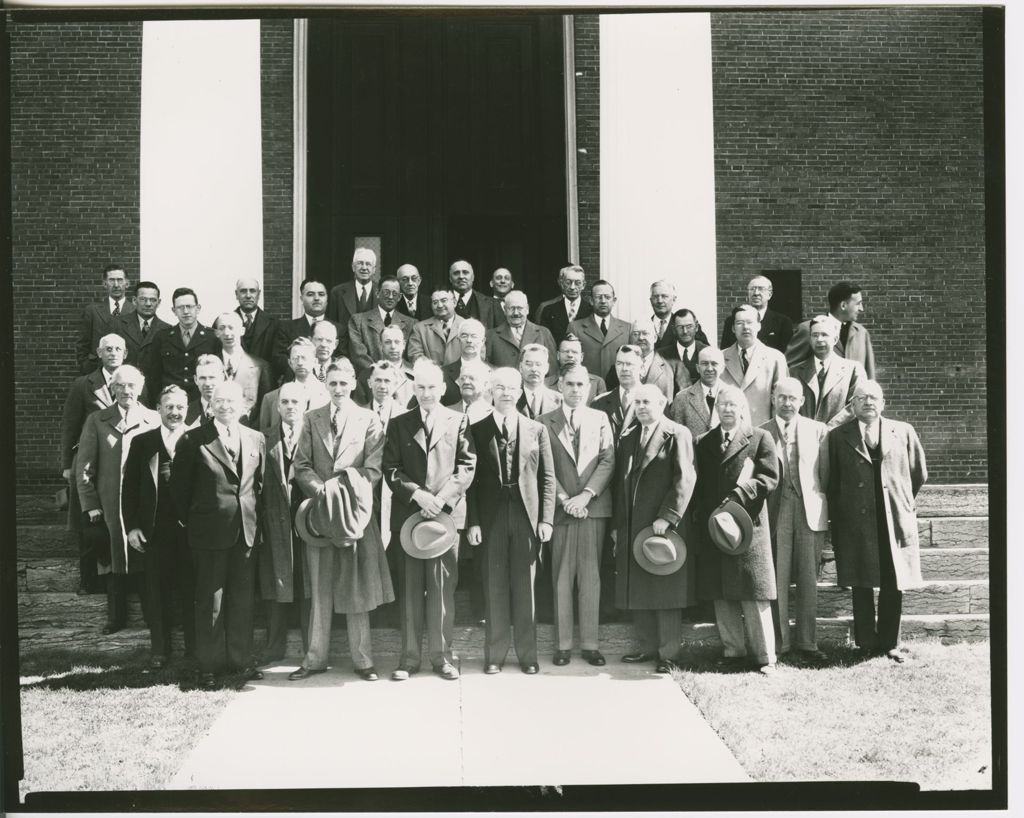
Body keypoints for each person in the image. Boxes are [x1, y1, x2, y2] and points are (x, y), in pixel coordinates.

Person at [290, 359, 394, 682]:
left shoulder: (369, 420)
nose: (338, 389)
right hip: (321, 514)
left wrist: (342, 491)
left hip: (354, 515)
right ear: (325, 384)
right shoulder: (311, 418)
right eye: (332, 383)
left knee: (355, 588)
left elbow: (373, 470)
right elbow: (301, 464)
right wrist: (323, 492)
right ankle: (314, 658)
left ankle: (363, 660)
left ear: (353, 383)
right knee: (320, 589)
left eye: (344, 383)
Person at [383, 359, 476, 681]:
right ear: (413, 388)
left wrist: (440, 498)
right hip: (410, 517)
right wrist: (417, 495)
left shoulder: (458, 420)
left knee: (441, 590)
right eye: (420, 387)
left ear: (443, 388)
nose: (426, 393)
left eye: (431, 387)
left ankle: (441, 657)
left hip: (445, 519)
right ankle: (408, 659)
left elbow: (466, 466)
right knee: (410, 590)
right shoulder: (399, 423)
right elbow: (391, 469)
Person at [170, 380, 266, 691]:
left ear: (243, 405)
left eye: (232, 401)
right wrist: (195, 523)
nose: (225, 406)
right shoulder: (193, 440)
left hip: (246, 533)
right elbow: (179, 491)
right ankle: (208, 666)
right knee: (211, 600)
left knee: (241, 599)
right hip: (208, 534)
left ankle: (239, 660)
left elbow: (258, 487)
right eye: (219, 401)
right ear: (210, 405)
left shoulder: (256, 439)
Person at [827, 380, 927, 663]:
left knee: (893, 581)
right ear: (853, 405)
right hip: (856, 523)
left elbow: (918, 474)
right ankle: (866, 642)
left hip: (892, 518)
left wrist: (901, 502)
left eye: (874, 398)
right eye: (862, 398)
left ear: (883, 403)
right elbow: (833, 482)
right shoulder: (838, 436)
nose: (868, 402)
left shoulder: (903, 431)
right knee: (861, 582)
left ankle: (889, 642)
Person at [467, 367, 555, 675]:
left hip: (526, 516)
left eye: (511, 388)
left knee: (525, 586)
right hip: (491, 518)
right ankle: (495, 654)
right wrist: (474, 522)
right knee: (495, 586)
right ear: (490, 391)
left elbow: (547, 478)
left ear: (520, 391)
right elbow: (472, 481)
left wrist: (546, 519)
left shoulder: (537, 429)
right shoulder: (476, 429)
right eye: (499, 387)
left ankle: (527, 655)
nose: (506, 392)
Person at [693, 385, 780, 675]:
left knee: (754, 593)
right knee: (722, 592)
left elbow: (769, 478)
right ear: (716, 408)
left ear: (743, 407)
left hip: (749, 526)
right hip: (716, 526)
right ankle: (733, 652)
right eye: (722, 404)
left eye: (733, 404)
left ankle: (765, 656)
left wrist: (740, 494)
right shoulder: (703, 441)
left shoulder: (760, 438)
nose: (727, 409)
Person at [613, 384, 697, 673]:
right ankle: (647, 648)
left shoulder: (677, 434)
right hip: (633, 527)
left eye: (647, 401)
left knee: (665, 589)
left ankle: (668, 654)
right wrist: (618, 525)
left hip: (664, 527)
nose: (641, 407)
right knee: (640, 588)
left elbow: (685, 479)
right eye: (637, 402)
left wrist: (668, 516)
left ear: (662, 403)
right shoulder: (628, 437)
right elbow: (620, 483)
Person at [537, 364, 615, 666]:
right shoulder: (544, 421)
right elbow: (543, 465)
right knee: (561, 579)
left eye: (582, 384)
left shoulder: (600, 419)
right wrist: (564, 499)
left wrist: (585, 496)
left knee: (591, 578)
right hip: (560, 509)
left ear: (590, 387)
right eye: (570, 384)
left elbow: (608, 460)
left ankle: (590, 644)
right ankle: (563, 645)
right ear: (560, 387)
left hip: (592, 509)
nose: (576, 390)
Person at [75, 365, 160, 634]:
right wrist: (91, 506)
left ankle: (152, 617)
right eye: (120, 385)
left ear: (141, 388)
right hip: (109, 503)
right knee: (113, 559)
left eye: (132, 386)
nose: (126, 391)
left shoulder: (153, 419)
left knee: (145, 557)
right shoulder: (97, 420)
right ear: (112, 388)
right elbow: (85, 467)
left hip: (141, 504)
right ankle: (116, 618)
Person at [122, 385, 196, 668]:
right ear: (158, 409)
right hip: (154, 532)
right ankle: (160, 651)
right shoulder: (143, 442)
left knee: (191, 591)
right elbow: (128, 489)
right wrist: (132, 527)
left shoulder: (197, 439)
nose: (174, 412)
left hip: (191, 532)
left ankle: (193, 650)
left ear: (187, 409)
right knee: (156, 592)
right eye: (169, 407)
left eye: (179, 407)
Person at [759, 378, 829, 659]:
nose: (787, 403)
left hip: (809, 511)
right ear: (773, 398)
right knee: (777, 577)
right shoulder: (761, 432)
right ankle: (780, 643)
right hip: (776, 512)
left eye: (793, 398)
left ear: (802, 401)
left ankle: (807, 643)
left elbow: (826, 475)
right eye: (782, 397)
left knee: (808, 580)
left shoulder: (818, 431)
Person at [60, 333, 130, 594]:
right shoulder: (83, 384)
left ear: (125, 353)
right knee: (89, 523)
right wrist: (68, 464)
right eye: (108, 349)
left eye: (118, 349)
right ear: (99, 353)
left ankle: (121, 579)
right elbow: (69, 425)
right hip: (89, 460)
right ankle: (89, 580)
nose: (113, 353)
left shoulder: (133, 381)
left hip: (120, 461)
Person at [256, 382, 311, 664]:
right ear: (277, 407)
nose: (291, 407)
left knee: (308, 583)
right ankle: (274, 646)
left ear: (305, 406)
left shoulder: (316, 436)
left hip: (308, 524)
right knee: (274, 582)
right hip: (274, 523)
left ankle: (312, 647)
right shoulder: (263, 440)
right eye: (285, 402)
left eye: (296, 402)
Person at [786, 281, 876, 378]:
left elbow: (869, 376)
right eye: (858, 304)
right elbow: (788, 368)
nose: (861, 309)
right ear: (843, 305)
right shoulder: (808, 329)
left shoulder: (861, 333)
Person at [790, 314, 866, 428]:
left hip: (839, 438)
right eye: (815, 335)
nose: (819, 339)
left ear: (835, 339)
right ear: (810, 339)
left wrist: (827, 430)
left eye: (824, 335)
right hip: (805, 437)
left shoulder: (853, 370)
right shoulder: (794, 372)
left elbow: (855, 406)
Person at [721, 305, 788, 428]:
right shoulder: (720, 358)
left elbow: (780, 400)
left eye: (750, 322)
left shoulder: (775, 358)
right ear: (733, 328)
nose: (745, 327)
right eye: (740, 323)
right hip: (729, 431)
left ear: (759, 326)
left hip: (762, 431)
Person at [149, 287, 220, 401]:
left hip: (201, 402)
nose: (186, 311)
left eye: (189, 306)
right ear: (174, 311)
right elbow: (154, 377)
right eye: (180, 307)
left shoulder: (213, 337)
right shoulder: (162, 337)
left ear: (198, 308)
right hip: (171, 402)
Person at [272, 278, 345, 381]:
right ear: (301, 298)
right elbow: (279, 360)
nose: (316, 298)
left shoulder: (339, 329)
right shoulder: (286, 328)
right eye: (310, 294)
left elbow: (342, 359)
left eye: (321, 294)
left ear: (327, 299)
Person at [213, 311, 272, 426]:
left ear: (242, 331)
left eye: (231, 327)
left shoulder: (260, 366)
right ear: (216, 333)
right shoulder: (210, 366)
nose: (227, 332)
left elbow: (266, 407)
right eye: (222, 328)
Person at [258, 338, 330, 432]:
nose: (300, 363)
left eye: (304, 358)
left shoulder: (328, 394)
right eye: (296, 358)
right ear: (290, 363)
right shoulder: (271, 399)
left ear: (315, 362)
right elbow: (265, 438)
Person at [348, 275, 415, 375]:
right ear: (377, 293)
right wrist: (380, 373)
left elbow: (410, 356)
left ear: (400, 297)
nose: (390, 297)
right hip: (370, 379)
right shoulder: (358, 321)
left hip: (401, 380)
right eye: (386, 292)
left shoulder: (411, 323)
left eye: (395, 293)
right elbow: (359, 355)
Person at [75, 263, 135, 374]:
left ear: (127, 283)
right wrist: (86, 365)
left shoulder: (135, 311)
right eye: (111, 280)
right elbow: (83, 344)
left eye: (120, 280)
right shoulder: (92, 311)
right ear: (105, 284)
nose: (116, 285)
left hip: (126, 374)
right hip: (96, 372)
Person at [567, 280, 631, 379]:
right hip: (588, 388)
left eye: (607, 297)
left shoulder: (627, 328)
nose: (603, 301)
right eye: (598, 297)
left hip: (617, 389)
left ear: (614, 301)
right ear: (591, 301)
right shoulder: (575, 328)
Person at [605, 319, 683, 401]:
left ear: (655, 338)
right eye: (635, 334)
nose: (641, 337)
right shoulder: (617, 370)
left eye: (645, 333)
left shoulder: (672, 368)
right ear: (630, 338)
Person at [485, 290, 557, 371]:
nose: (515, 313)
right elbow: (486, 368)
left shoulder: (543, 333)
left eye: (519, 308)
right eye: (511, 308)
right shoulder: (491, 336)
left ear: (527, 309)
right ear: (505, 310)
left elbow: (553, 372)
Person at [118, 280, 170, 392]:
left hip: (154, 392)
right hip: (125, 389)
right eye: (143, 299)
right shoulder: (118, 325)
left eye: (153, 300)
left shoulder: (167, 330)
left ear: (159, 302)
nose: (148, 304)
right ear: (134, 300)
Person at [720, 276, 793, 353]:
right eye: (752, 289)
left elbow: (787, 356)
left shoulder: (783, 322)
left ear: (770, 294)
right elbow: (725, 354)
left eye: (761, 289)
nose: (756, 293)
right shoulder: (732, 320)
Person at [668, 346, 724, 440]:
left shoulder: (735, 396)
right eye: (704, 364)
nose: (709, 368)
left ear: (722, 368)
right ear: (698, 368)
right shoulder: (682, 398)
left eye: (714, 364)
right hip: (693, 453)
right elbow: (675, 437)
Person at [354, 324, 415, 408]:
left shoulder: (415, 374)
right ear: (381, 345)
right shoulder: (366, 375)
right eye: (388, 342)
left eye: (397, 342)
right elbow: (359, 410)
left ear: (404, 344)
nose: (393, 347)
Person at [591, 344, 643, 439]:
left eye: (629, 364)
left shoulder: (656, 403)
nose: (624, 368)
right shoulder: (598, 403)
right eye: (619, 363)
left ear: (642, 368)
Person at [534, 264, 593, 343]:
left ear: (583, 285)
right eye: (568, 282)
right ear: (562, 284)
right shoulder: (549, 311)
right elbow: (543, 340)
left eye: (577, 283)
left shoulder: (591, 311)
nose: (572, 287)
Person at [406, 288, 465, 365]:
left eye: (444, 300)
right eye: (435, 302)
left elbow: (476, 355)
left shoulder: (468, 326)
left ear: (454, 302)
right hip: (431, 375)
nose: (439, 305)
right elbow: (415, 356)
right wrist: (434, 372)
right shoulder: (419, 329)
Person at [544, 333, 606, 404]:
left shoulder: (597, 383)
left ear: (581, 357)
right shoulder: (545, 384)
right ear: (558, 355)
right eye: (566, 351)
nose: (570, 355)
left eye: (574, 352)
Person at [440, 318, 489, 404]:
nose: (469, 340)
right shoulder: (442, 373)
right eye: (464, 336)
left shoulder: (492, 373)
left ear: (483, 341)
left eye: (474, 336)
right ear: (458, 340)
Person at [328, 246, 379, 326]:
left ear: (374, 270)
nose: (364, 268)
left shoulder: (383, 292)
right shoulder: (338, 292)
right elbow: (332, 325)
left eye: (368, 264)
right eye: (360, 263)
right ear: (353, 267)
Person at [657, 308, 708, 386]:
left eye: (689, 326)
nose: (685, 331)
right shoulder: (661, 355)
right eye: (680, 327)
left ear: (696, 327)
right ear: (674, 329)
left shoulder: (707, 352)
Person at [234, 277, 279, 364]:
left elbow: (277, 359)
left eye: (252, 291)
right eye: (243, 291)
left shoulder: (274, 323)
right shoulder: (225, 322)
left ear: (259, 294)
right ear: (236, 294)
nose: (248, 296)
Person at [449, 259, 501, 328]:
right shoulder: (437, 302)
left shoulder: (493, 304)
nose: (461, 277)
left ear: (473, 277)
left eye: (465, 272)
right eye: (456, 273)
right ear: (450, 279)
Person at [517, 343, 562, 419]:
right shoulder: (511, 398)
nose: (534, 369)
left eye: (538, 364)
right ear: (521, 367)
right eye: (529, 364)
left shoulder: (559, 400)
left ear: (547, 368)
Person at [185, 355, 226, 428]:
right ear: (195, 380)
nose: (207, 383)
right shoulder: (186, 412)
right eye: (202, 378)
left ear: (222, 377)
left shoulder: (235, 412)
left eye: (212, 377)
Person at [309, 320, 342, 384]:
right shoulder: (301, 367)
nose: (324, 345)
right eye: (319, 339)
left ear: (335, 344)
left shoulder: (342, 369)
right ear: (310, 340)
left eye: (329, 341)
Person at [648, 280, 677, 346]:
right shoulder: (643, 326)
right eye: (655, 297)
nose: (660, 301)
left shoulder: (684, 326)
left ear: (674, 299)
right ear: (651, 300)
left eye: (664, 296)